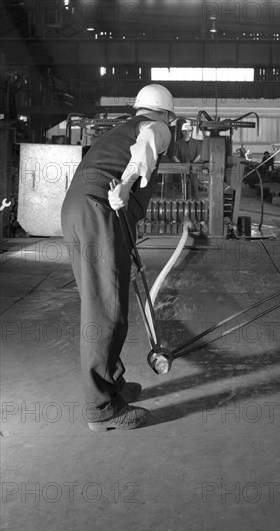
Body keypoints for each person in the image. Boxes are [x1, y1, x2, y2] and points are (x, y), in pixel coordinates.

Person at [61, 84, 174, 431]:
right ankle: (101, 408)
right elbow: (149, 144)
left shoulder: (118, 131)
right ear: (167, 114)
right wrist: (125, 184)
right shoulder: (156, 127)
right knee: (107, 310)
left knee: (101, 302)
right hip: (101, 210)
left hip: (78, 209)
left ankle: (112, 383)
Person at [172, 121, 202, 199]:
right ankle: (186, 204)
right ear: (182, 132)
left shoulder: (196, 143)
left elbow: (198, 155)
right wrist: (181, 165)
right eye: (185, 131)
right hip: (183, 168)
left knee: (194, 186)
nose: (187, 133)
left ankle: (196, 204)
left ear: (191, 131)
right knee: (184, 187)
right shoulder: (178, 144)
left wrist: (192, 164)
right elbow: (174, 156)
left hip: (193, 168)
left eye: (189, 131)